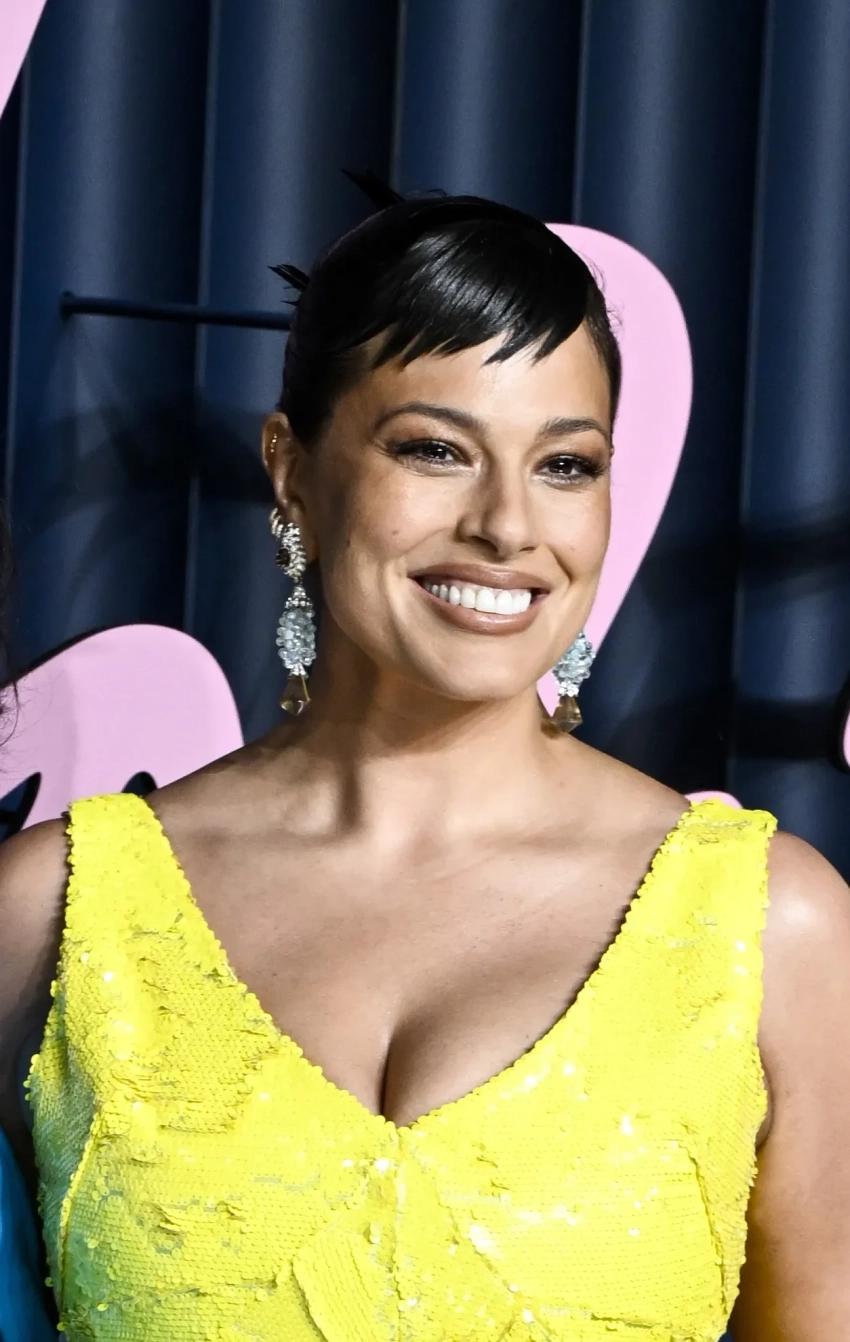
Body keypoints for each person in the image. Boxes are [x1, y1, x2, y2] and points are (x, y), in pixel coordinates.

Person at [0, 192, 848, 1342]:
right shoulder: (47, 912)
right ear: (291, 469)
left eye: (566, 464)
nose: (507, 525)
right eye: (435, 450)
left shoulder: (773, 927)